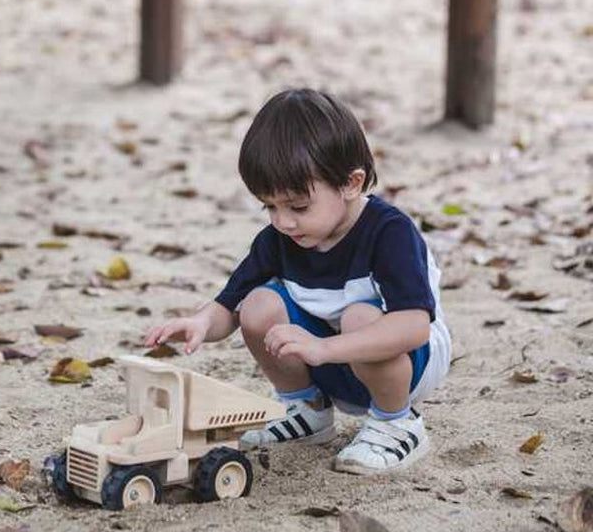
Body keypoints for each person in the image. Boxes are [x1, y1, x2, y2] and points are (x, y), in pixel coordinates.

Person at [144, 88, 451, 475]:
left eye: (298, 206)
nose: (283, 221)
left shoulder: (390, 233)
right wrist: (201, 323)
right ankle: (306, 410)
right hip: (326, 357)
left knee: (359, 315)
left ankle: (396, 424)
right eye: (270, 206)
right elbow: (230, 307)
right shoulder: (281, 238)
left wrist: (327, 346)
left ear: (351, 183)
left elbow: (413, 327)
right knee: (258, 305)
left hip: (405, 364)